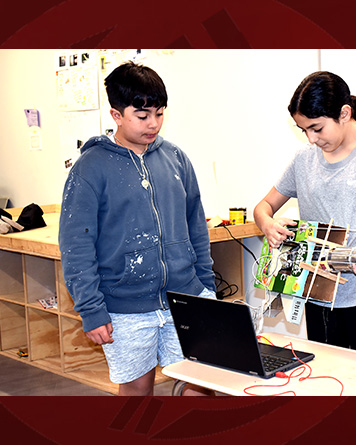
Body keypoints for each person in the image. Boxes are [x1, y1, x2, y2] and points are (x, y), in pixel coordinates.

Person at [59, 61, 216, 396]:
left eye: (159, 113)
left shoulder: (176, 158)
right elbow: (76, 246)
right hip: (124, 307)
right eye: (142, 116)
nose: (154, 124)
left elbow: (196, 227)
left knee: (201, 385)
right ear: (117, 115)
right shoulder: (90, 168)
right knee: (137, 392)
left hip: (184, 297)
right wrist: (91, 309)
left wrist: (206, 287)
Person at [254, 71, 356, 357]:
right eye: (304, 131)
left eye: (317, 128)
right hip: (318, 296)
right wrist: (268, 224)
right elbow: (263, 208)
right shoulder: (303, 159)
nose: (311, 139)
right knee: (326, 385)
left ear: (345, 114)